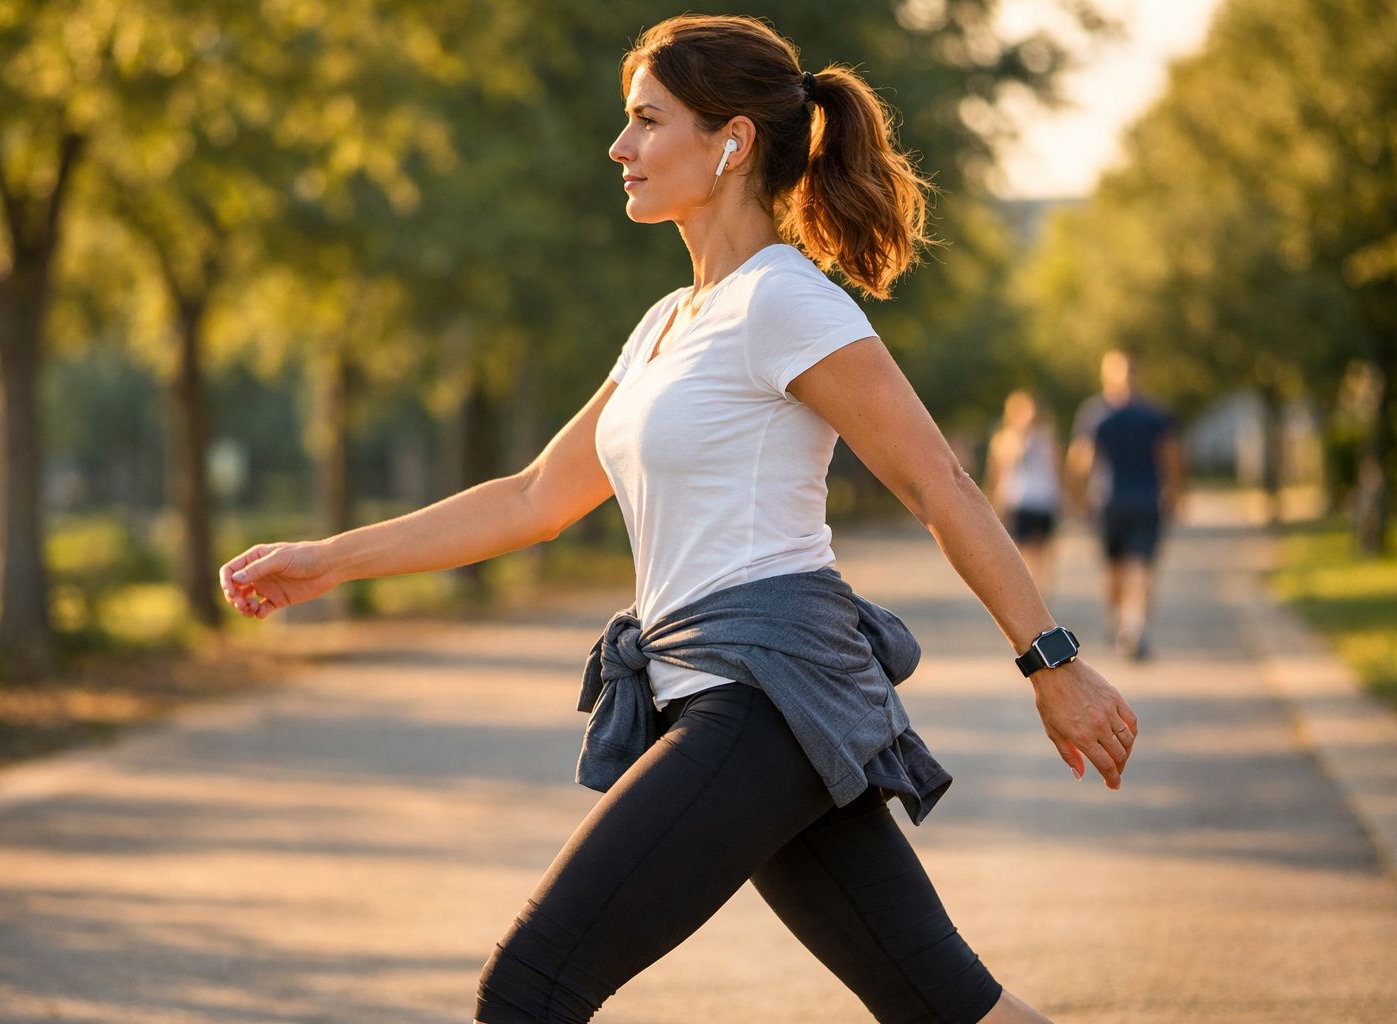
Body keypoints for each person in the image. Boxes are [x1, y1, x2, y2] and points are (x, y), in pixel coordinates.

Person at [219, 15, 1137, 1024]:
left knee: (529, 987)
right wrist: (326, 561)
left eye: (648, 121)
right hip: (726, 697)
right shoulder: (667, 322)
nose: (620, 147)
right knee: (944, 1002)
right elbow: (534, 497)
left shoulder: (785, 302)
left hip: (766, 695)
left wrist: (1052, 660)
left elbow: (940, 488)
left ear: (730, 141)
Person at [1067, 349, 1184, 660]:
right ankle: (1134, 624)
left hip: (1109, 500)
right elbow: (1171, 457)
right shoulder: (1156, 413)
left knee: (1115, 567)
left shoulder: (1095, 413)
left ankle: (1122, 621)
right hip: (1145, 499)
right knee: (1139, 565)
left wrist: (1077, 498)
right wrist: (1174, 493)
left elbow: (1082, 459)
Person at [983, 390, 1063, 595]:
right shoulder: (1004, 440)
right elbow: (996, 474)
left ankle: (1040, 594)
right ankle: (1024, 593)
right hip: (1017, 501)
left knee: (1042, 553)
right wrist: (994, 503)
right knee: (1018, 554)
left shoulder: (1047, 440)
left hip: (1043, 501)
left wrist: (1062, 499)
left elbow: (1056, 471)